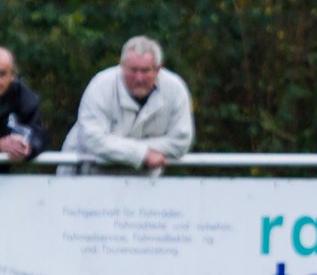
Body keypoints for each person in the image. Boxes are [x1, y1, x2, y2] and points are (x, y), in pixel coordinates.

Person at [61, 35, 194, 173]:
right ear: (122, 66)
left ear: (158, 69)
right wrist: (143, 154)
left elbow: (180, 142)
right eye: (133, 70)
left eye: (145, 70)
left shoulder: (175, 89)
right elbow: (92, 139)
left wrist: (121, 148)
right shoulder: (101, 85)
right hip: (84, 175)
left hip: (144, 181)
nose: (139, 78)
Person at [0, 46, 49, 170]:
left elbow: (38, 134)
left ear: (12, 76)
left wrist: (26, 145)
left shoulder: (24, 98)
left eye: (2, 74)